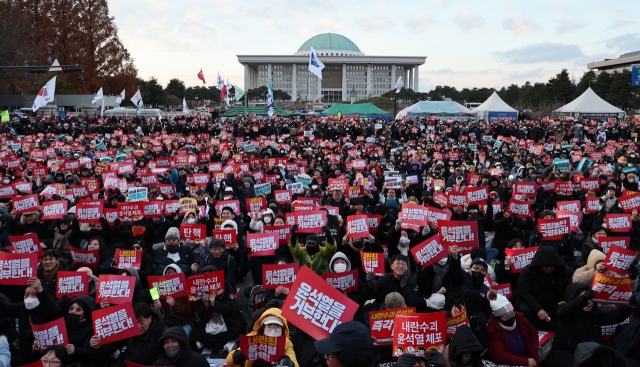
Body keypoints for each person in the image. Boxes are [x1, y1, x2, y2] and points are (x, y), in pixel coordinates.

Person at [545, 283, 634, 367]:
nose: (589, 303)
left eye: (592, 299)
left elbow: (612, 317)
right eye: (585, 299)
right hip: (565, 355)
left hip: (592, 355)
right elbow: (563, 312)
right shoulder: (565, 313)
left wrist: (628, 306)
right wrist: (584, 299)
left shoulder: (595, 314)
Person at [91, 302, 166, 367]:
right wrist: (99, 345)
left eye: (142, 322)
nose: (138, 326)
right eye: (135, 322)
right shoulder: (128, 327)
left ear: (150, 319)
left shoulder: (163, 333)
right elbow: (111, 347)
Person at [484, 290, 539, 367]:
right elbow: (500, 355)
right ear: (498, 318)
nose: (511, 317)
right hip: (511, 364)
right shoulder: (491, 329)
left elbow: (533, 332)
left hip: (529, 359)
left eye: (512, 313)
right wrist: (525, 362)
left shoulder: (519, 318)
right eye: (506, 316)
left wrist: (533, 354)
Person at [226, 308, 297, 367]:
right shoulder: (252, 338)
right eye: (269, 326)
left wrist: (288, 362)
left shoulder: (286, 343)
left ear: (282, 330)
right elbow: (229, 362)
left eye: (277, 327)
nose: (273, 330)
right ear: (263, 328)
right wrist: (237, 356)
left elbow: (294, 361)